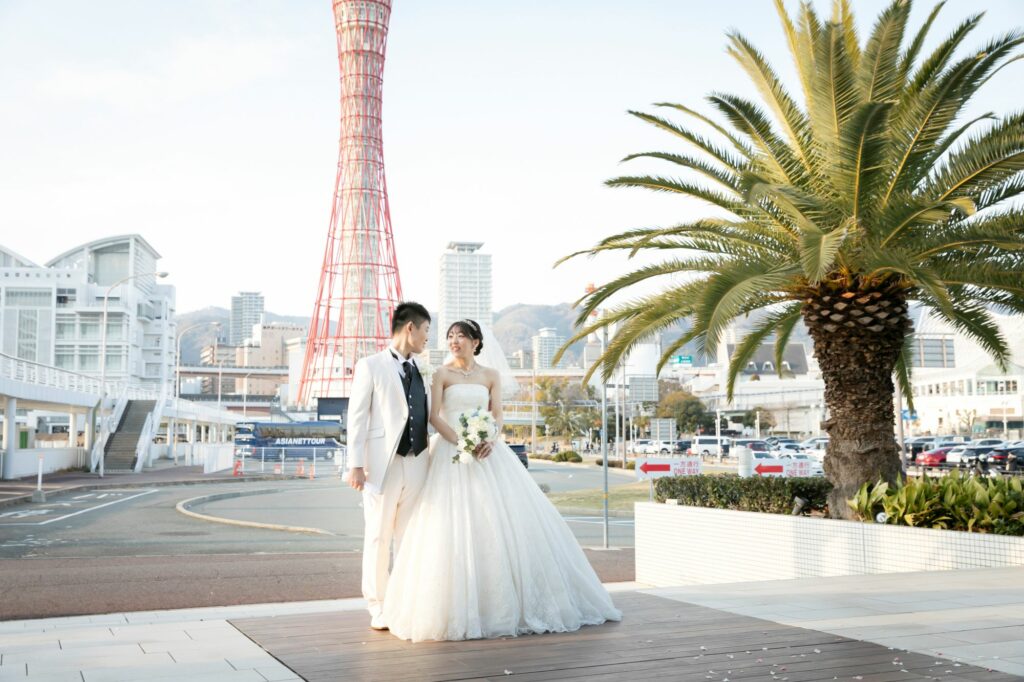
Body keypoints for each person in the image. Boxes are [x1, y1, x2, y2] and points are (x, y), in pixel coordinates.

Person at [381, 318, 621, 642]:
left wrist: (490, 438)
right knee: (450, 526)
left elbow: (497, 414)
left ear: (476, 342)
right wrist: (462, 442)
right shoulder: (441, 374)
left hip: (488, 453)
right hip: (450, 453)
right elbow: (435, 416)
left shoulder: (490, 375)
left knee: (497, 522)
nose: (454, 341)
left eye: (461, 336)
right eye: (450, 336)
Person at [345, 302, 431, 631]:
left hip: (418, 462)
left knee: (409, 537)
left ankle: (404, 601)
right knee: (378, 536)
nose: (427, 338)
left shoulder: (423, 368)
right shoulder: (370, 366)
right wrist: (355, 464)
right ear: (410, 328)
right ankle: (377, 605)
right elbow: (357, 418)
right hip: (382, 464)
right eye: (425, 330)